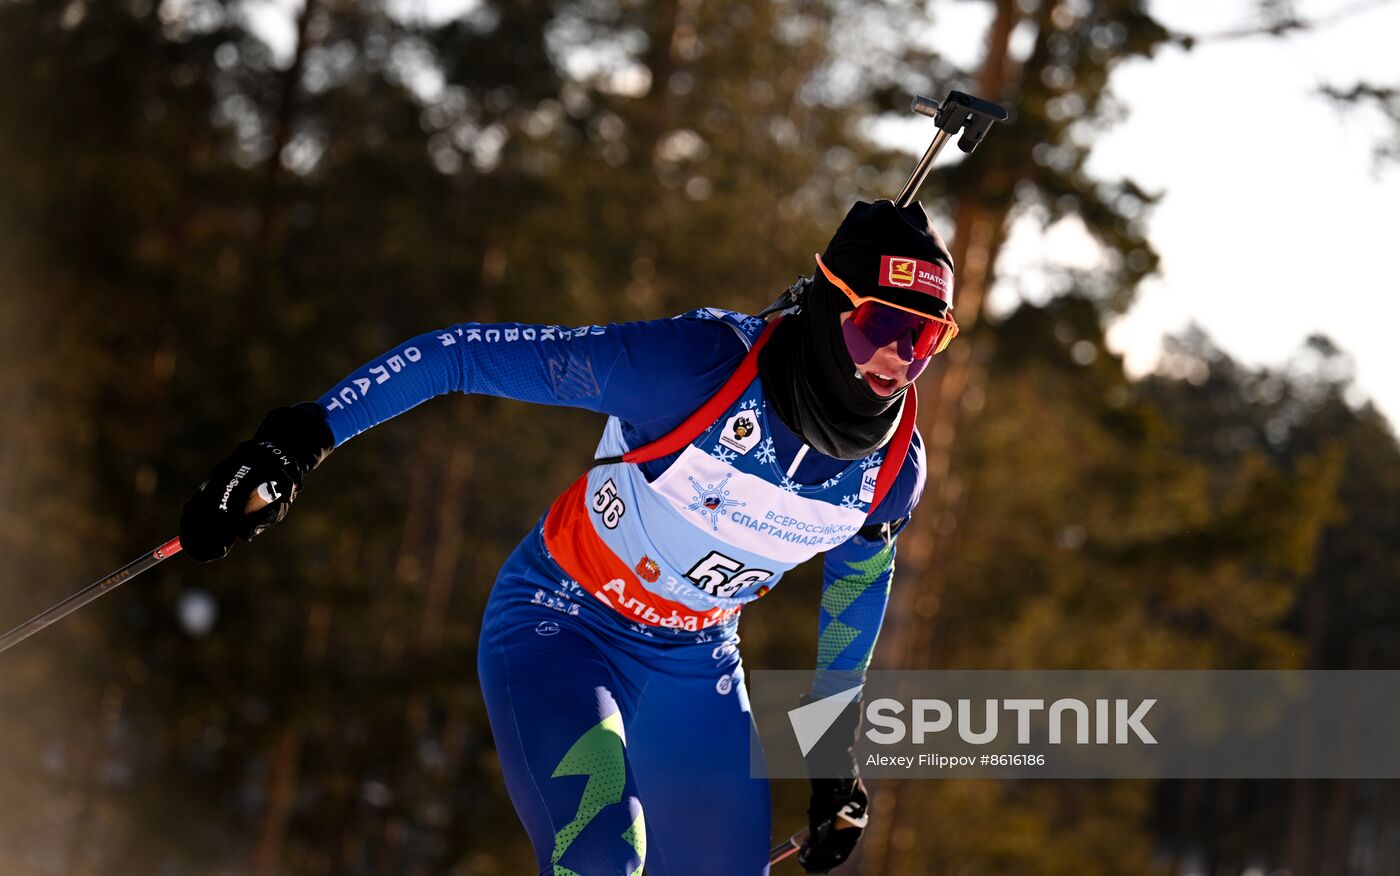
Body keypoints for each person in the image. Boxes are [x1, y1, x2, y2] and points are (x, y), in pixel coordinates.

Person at [179, 198, 958, 875]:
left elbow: (853, 603)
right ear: (827, 307)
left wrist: (830, 759)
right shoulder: (690, 369)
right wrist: (295, 442)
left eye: (926, 341)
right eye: (880, 327)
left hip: (695, 662)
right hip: (563, 621)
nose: (899, 360)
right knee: (601, 857)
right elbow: (458, 357)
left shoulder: (893, 468)